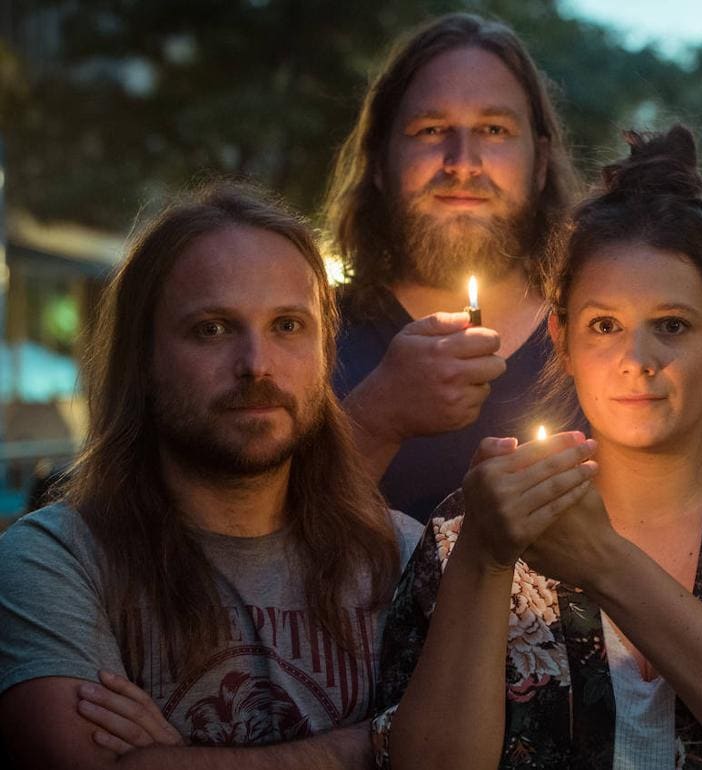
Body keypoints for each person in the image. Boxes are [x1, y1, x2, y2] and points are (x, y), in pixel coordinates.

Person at [369, 126, 702, 769]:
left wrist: (603, 561)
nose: (636, 360)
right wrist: (483, 558)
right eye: (605, 326)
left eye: (671, 326)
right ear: (562, 340)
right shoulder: (475, 528)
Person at [0, 183, 423, 768]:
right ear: (143, 358)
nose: (257, 365)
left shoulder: (405, 556)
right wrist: (374, 743)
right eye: (212, 329)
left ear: (325, 352)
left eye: (287, 326)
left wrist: (175, 759)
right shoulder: (55, 562)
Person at [324, 12, 581, 523]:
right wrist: (374, 420)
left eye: (494, 129)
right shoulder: (299, 340)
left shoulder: (610, 340)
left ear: (541, 162)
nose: (462, 162)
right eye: (431, 128)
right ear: (379, 160)